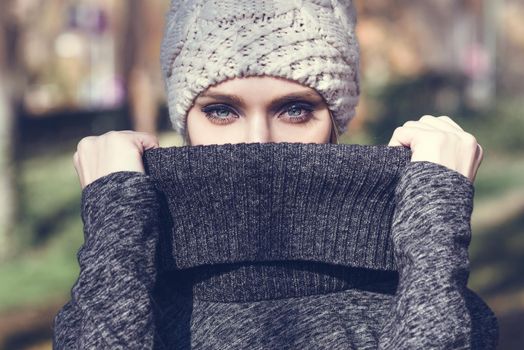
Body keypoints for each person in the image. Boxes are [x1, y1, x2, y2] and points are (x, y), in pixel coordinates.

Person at [52, 0, 499, 349]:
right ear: (184, 120)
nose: (257, 143)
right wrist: (115, 223)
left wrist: (435, 217)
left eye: (296, 109)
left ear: (337, 119)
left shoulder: (427, 296)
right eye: (221, 111)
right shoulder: (121, 294)